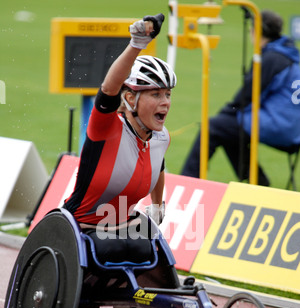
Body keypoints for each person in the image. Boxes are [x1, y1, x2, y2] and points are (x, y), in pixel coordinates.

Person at [64, 13, 176, 264]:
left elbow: (159, 166)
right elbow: (108, 89)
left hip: (124, 227)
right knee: (115, 248)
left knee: (148, 249)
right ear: (130, 99)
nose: (165, 102)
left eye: (168, 94)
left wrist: (158, 206)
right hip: (81, 229)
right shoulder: (106, 127)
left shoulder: (161, 137)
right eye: (156, 94)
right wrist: (136, 45)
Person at [181, 10, 300, 186]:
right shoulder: (288, 53)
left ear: (255, 31)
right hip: (294, 128)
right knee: (229, 129)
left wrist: (224, 115)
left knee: (214, 127)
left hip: (282, 128)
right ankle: (258, 183)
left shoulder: (270, 58)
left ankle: (186, 182)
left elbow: (245, 97)